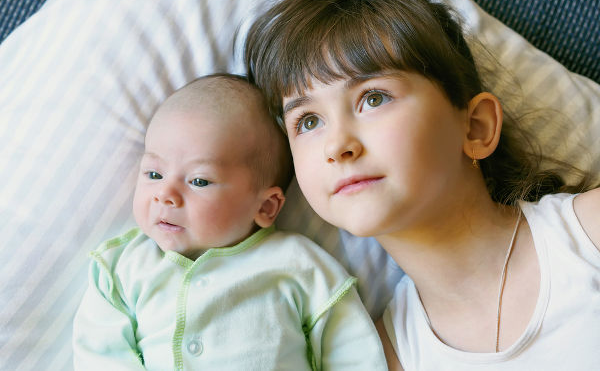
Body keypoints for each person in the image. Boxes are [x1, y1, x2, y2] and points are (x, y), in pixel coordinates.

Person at [243, 0, 600, 370]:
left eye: (373, 98)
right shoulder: (379, 357)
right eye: (308, 121)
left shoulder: (587, 236)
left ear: (476, 128)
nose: (336, 145)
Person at [72, 74, 387, 370]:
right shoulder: (121, 268)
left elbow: (353, 350)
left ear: (264, 206)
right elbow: (101, 355)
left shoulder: (298, 265)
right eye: (154, 174)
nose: (165, 195)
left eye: (199, 181)